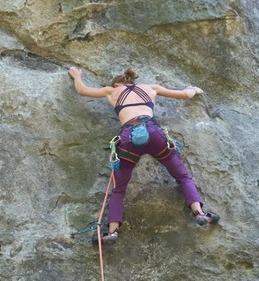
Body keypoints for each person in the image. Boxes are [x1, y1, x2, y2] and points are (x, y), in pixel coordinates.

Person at [68, 66, 220, 244]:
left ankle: (112, 232)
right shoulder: (151, 88)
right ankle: (199, 213)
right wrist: (194, 89)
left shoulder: (112, 91)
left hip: (128, 138)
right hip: (154, 133)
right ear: (132, 81)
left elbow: (82, 90)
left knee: (119, 189)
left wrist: (77, 76)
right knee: (183, 176)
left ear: (117, 83)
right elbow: (186, 95)